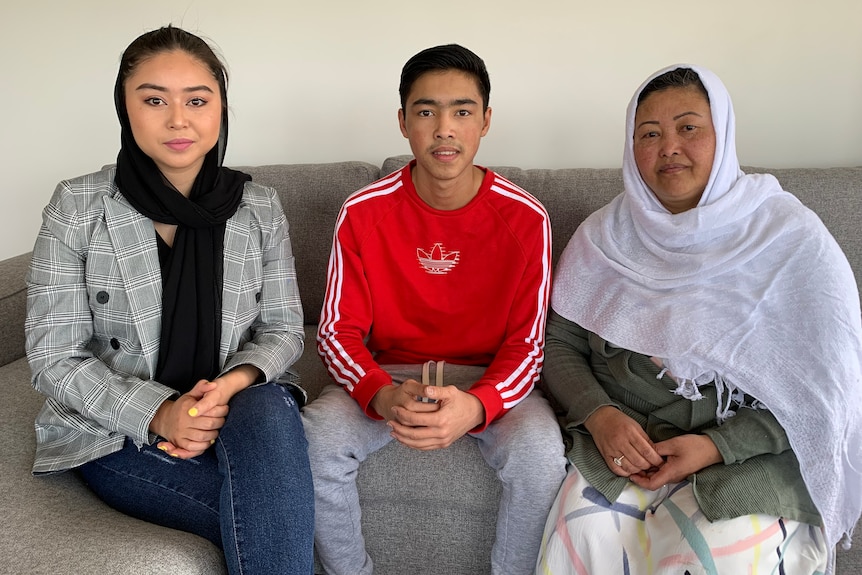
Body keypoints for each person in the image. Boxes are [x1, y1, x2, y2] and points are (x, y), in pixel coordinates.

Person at [536, 64, 862, 575]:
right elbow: (558, 343)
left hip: (750, 456)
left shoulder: (789, 235)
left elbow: (829, 388)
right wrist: (599, 416)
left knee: (713, 559)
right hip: (623, 449)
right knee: (582, 542)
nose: (668, 146)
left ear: (723, 135)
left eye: (688, 127)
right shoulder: (604, 238)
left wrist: (717, 445)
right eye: (649, 134)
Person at [24, 25, 314, 574]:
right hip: (116, 432)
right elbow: (53, 355)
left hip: (231, 407)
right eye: (154, 100)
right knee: (272, 515)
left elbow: (282, 329)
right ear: (124, 108)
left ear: (220, 109)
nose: (178, 120)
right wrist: (159, 412)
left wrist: (226, 387)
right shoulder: (79, 204)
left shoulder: (258, 206)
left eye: (197, 101)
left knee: (269, 413)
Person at [301, 43, 567, 574]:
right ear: (403, 122)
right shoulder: (363, 211)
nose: (444, 128)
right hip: (389, 372)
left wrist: (480, 404)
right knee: (317, 435)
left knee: (540, 454)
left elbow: (528, 345)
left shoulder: (527, 218)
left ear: (485, 121)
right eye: (426, 111)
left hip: (485, 376)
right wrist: (379, 394)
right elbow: (336, 331)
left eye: (462, 111)